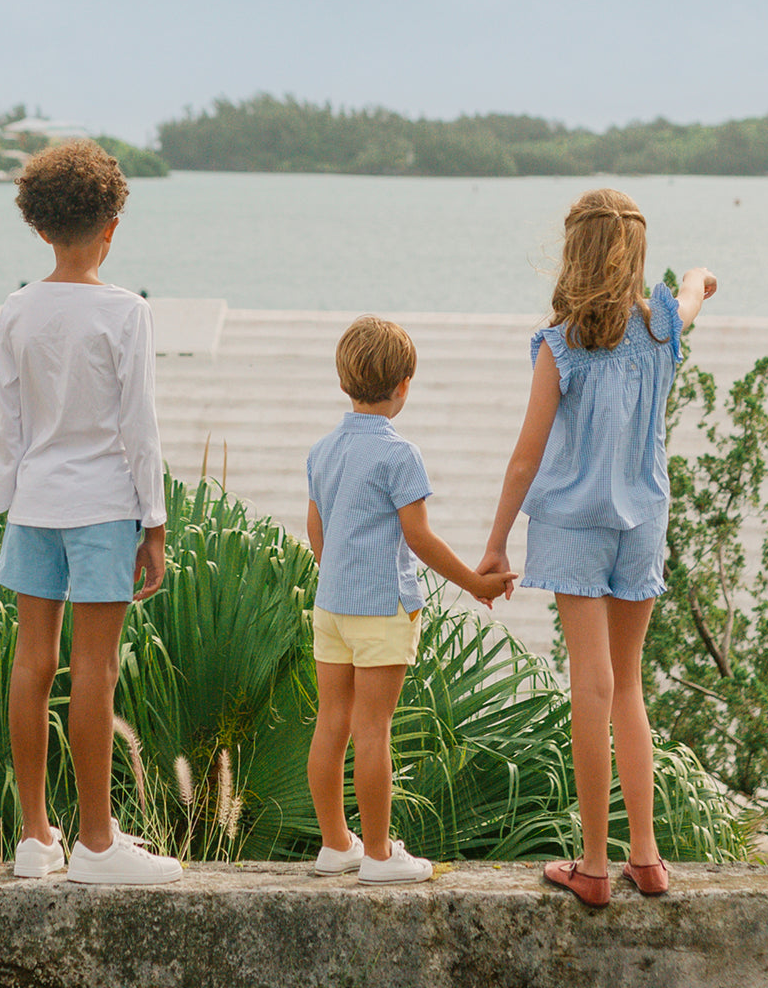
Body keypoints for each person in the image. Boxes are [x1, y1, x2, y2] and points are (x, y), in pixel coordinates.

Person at [477, 188, 716, 908]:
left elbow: (525, 458)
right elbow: (694, 292)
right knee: (628, 685)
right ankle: (646, 856)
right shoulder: (663, 326)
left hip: (575, 526)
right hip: (642, 524)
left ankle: (592, 864)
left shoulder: (562, 348)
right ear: (636, 253)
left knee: (591, 685)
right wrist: (699, 279)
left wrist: (495, 544)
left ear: (574, 254)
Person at [0, 139, 181, 886]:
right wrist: (154, 522)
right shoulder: (126, 312)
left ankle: (36, 837)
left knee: (31, 663)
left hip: (33, 504)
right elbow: (140, 426)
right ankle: (98, 844)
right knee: (94, 668)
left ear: (39, 227)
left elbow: (4, 420)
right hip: (102, 507)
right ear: (112, 227)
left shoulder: (17, 309)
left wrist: (12, 500)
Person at [306, 315, 517, 885]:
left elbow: (317, 532)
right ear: (404, 385)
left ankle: (336, 845)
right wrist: (475, 583)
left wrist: (338, 579)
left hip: (331, 608)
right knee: (374, 730)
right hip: (381, 611)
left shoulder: (322, 451)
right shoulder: (400, 456)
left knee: (332, 723)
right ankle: (378, 854)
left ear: (344, 381)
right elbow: (418, 538)